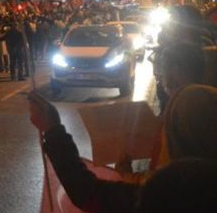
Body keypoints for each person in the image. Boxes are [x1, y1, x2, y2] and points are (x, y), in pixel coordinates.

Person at [27, 83, 217, 213]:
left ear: (177, 136)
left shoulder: (169, 193)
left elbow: (88, 193)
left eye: (166, 126)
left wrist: (53, 130)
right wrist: (129, 178)